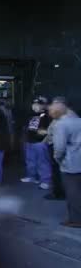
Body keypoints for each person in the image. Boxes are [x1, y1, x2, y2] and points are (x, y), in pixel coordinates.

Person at [49, 97, 81, 228]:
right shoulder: (79, 120)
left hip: (70, 165)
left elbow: (59, 148)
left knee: (72, 193)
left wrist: (58, 159)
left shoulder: (60, 124)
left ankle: (76, 220)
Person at [21, 97, 52, 190]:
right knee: (30, 161)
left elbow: (51, 129)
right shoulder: (31, 115)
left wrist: (45, 135)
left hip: (40, 142)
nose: (34, 106)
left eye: (37, 104)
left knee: (42, 162)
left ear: (43, 106)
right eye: (33, 104)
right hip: (29, 141)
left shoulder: (47, 116)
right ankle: (32, 177)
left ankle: (45, 181)